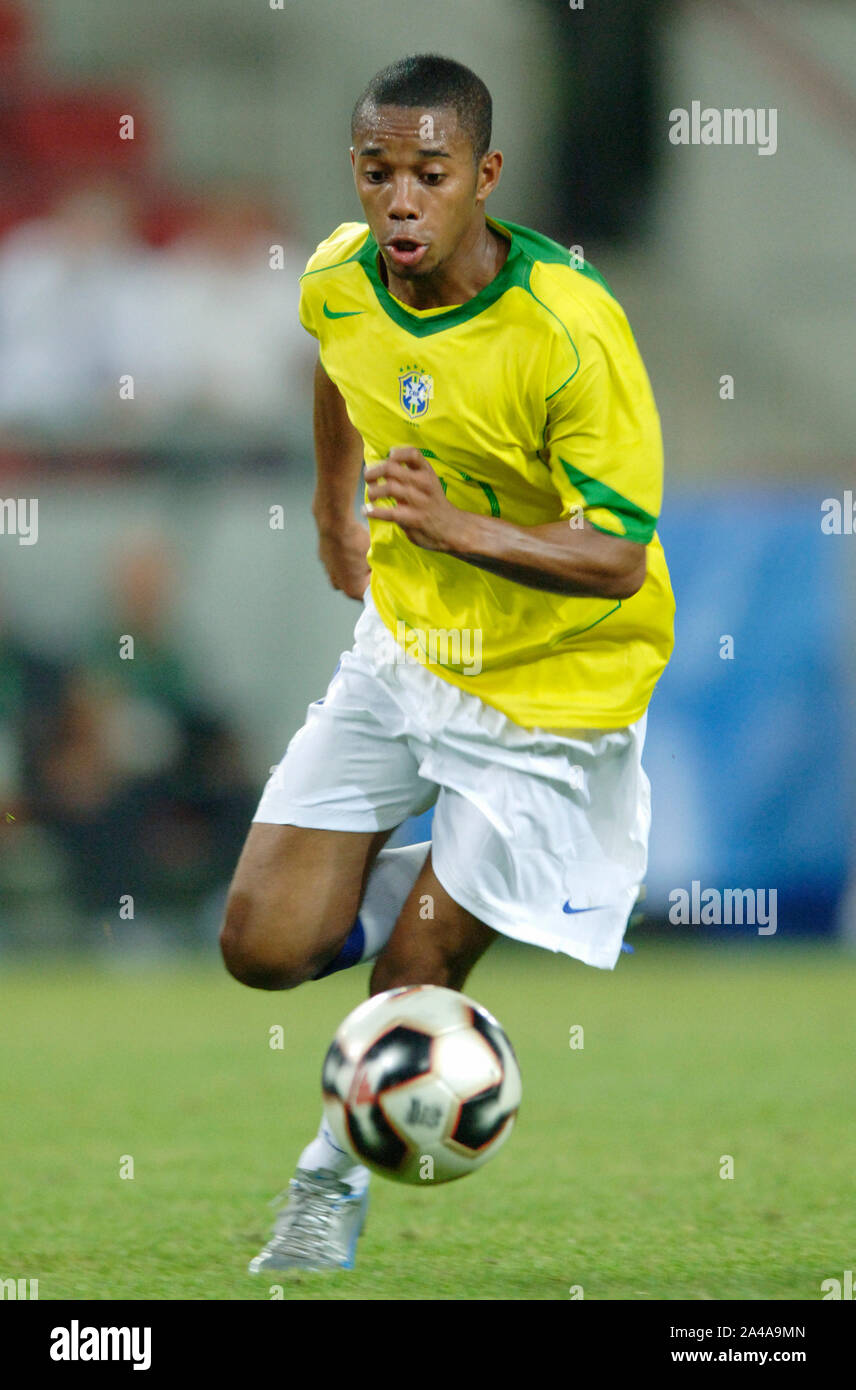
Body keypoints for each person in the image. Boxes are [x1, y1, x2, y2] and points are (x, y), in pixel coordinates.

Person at [220, 53, 675, 1274]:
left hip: (552, 698)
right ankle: (438, 868)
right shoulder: (338, 277)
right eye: (378, 173)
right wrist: (332, 501)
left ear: (484, 176)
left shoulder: (571, 326)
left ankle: (325, 1184)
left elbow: (618, 559)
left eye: (429, 174)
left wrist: (452, 524)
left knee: (413, 967)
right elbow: (340, 361)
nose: (400, 200)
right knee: (260, 947)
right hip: (408, 651)